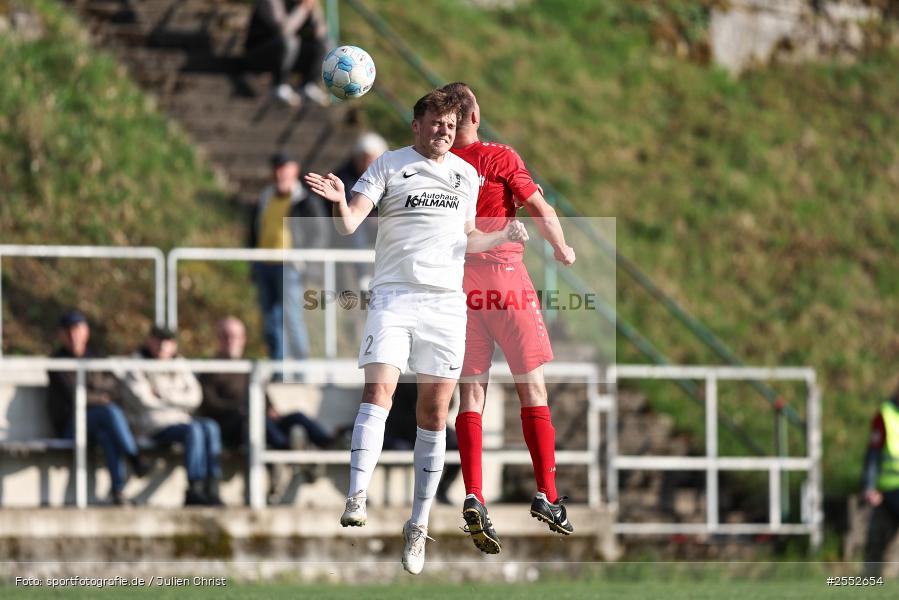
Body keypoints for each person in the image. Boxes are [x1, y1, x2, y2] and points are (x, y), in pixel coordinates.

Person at [304, 88, 528, 575]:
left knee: (433, 412)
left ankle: (419, 524)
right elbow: (350, 224)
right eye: (437, 123)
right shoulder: (389, 165)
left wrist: (503, 234)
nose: (446, 131)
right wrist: (342, 201)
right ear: (417, 124)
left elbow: (468, 238)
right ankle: (356, 495)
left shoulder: (466, 175)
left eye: (452, 125)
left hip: (445, 306)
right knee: (378, 391)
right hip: (394, 296)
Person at [441, 82, 577, 554]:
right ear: (475, 115)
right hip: (504, 279)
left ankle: (474, 492)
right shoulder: (499, 156)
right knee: (532, 387)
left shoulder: (440, 167)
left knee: (471, 393)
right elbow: (540, 207)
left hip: (460, 286)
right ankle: (548, 495)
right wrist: (562, 247)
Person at [46, 310, 149, 506]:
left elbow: (116, 387)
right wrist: (101, 396)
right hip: (70, 425)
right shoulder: (57, 362)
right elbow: (74, 395)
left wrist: (95, 395)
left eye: (77, 330)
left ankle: (118, 491)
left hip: (97, 423)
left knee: (107, 434)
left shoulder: (97, 357)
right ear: (61, 334)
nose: (73, 335)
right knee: (108, 412)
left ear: (86, 332)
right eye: (68, 330)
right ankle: (134, 457)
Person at [197, 316, 342, 450]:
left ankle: (328, 442)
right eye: (225, 336)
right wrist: (243, 409)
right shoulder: (210, 369)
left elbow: (262, 395)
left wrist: (271, 408)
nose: (230, 341)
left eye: (234, 336)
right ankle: (289, 450)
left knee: (297, 417)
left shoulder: (250, 367)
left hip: (258, 418)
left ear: (243, 339)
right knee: (257, 420)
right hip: (234, 425)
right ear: (218, 339)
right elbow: (211, 405)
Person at [119, 326, 223, 506]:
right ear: (149, 340)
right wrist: (177, 398)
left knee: (211, 427)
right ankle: (194, 487)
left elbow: (195, 398)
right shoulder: (136, 364)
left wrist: (163, 394)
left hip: (180, 421)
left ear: (173, 345)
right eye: (158, 340)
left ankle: (212, 486)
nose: (162, 346)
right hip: (153, 426)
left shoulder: (179, 364)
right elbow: (145, 401)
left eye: (167, 342)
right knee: (194, 431)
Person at [250, 152, 328, 365]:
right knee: (271, 321)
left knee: (292, 318)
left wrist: (305, 262)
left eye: (285, 168)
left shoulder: (306, 201)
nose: (280, 174)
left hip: (290, 267)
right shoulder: (266, 197)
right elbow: (255, 229)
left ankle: (301, 370)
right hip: (264, 265)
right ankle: (279, 368)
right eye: (277, 168)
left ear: (295, 170)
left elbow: (319, 234)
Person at [383, 382, 461, 505]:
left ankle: (441, 491)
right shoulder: (409, 378)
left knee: (459, 445)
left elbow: (446, 408)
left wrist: (448, 389)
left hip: (426, 425)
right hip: (400, 430)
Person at [244, 0, 330, 107]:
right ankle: (280, 84)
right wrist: (304, 8)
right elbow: (284, 30)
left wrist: (314, 11)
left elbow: (321, 33)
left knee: (324, 45)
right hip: (256, 55)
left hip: (288, 55)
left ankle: (309, 84)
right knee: (290, 41)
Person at [862, 388, 899, 574]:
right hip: (889, 491)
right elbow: (873, 454)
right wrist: (869, 487)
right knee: (876, 548)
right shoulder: (885, 415)